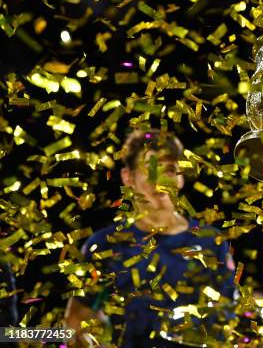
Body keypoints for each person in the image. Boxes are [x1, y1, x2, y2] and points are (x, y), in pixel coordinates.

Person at [65, 130, 236, 347]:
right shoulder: (105, 244)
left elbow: (228, 319)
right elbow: (76, 321)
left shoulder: (212, 242)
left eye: (171, 170)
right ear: (128, 177)